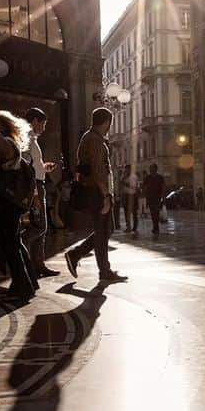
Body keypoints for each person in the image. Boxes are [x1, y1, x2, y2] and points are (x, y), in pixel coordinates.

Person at [64, 108, 126, 282]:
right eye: (109, 123)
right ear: (106, 122)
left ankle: (77, 255)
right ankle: (102, 271)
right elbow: (98, 170)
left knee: (106, 230)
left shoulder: (90, 138)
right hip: (97, 192)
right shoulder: (94, 140)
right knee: (102, 231)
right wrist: (106, 195)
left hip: (96, 190)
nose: (109, 127)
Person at [0, 110, 38, 300]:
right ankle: (28, 282)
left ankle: (23, 287)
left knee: (9, 244)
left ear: (4, 125)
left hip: (8, 202)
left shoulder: (7, 143)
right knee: (13, 242)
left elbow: (5, 151)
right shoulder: (0, 146)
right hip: (7, 201)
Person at [23, 107, 59, 278]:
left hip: (38, 184)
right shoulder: (26, 139)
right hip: (34, 186)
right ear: (35, 121)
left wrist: (44, 168)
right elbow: (26, 169)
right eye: (43, 124)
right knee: (40, 226)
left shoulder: (32, 139)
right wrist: (35, 194)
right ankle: (16, 244)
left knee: (41, 229)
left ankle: (38, 265)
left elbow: (34, 166)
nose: (44, 128)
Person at [143, 163, 166, 235]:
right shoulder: (147, 178)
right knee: (153, 213)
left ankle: (156, 228)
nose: (150, 169)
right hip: (150, 198)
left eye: (152, 168)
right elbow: (144, 187)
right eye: (150, 168)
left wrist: (163, 196)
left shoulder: (160, 177)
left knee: (156, 212)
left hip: (157, 198)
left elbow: (163, 187)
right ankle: (155, 227)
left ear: (155, 169)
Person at [123, 164, 139, 233]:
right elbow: (121, 184)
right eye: (125, 169)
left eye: (127, 169)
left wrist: (127, 184)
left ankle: (135, 227)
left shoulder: (134, 177)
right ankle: (128, 227)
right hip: (126, 195)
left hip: (133, 195)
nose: (125, 171)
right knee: (126, 212)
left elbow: (135, 187)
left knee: (134, 212)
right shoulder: (124, 177)